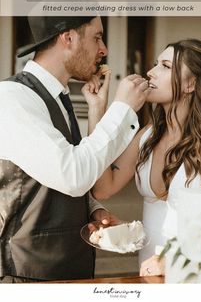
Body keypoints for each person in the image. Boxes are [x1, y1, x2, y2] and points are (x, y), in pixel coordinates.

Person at [0, 16, 150, 282]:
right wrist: (123, 108)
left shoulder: (58, 97)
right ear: (68, 38)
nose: (103, 49)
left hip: (67, 269)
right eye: (97, 37)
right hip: (25, 275)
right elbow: (72, 176)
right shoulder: (12, 99)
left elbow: (47, 176)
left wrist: (91, 209)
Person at [90, 38, 201, 277]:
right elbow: (103, 188)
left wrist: (173, 260)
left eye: (165, 66)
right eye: (156, 64)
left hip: (199, 278)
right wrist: (98, 109)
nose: (150, 72)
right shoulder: (147, 135)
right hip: (149, 277)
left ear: (190, 84)